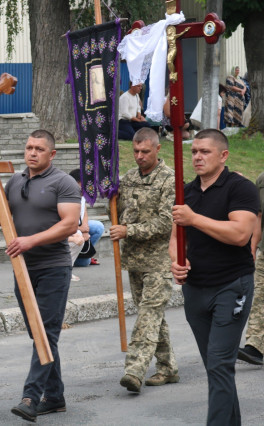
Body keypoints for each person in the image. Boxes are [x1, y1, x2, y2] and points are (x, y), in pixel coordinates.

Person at [0, 129, 81, 422]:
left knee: (45, 333)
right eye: (29, 148)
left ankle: (30, 397)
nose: (32, 153)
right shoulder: (15, 180)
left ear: (52, 154)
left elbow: (70, 224)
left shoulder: (62, 182)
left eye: (39, 149)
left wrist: (30, 241)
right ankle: (56, 397)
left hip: (54, 268)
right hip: (23, 268)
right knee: (39, 335)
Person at [170, 129, 259, 425]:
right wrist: (177, 261)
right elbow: (176, 237)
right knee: (215, 367)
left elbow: (240, 234)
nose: (197, 157)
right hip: (195, 289)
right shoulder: (186, 192)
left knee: (220, 363)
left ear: (223, 155)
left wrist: (194, 218)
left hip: (231, 286)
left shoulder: (241, 188)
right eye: (194, 151)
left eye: (205, 152)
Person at [109, 128, 179, 393]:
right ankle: (168, 368)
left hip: (159, 260)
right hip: (134, 260)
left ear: (157, 149)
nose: (139, 156)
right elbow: (119, 213)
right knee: (152, 317)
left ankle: (134, 370)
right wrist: (110, 200)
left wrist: (129, 231)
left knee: (148, 316)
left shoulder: (170, 180)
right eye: (136, 151)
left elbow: (166, 222)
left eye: (145, 151)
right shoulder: (128, 178)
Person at [237, 170, 264, 365]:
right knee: (260, 296)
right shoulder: (262, 179)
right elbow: (258, 216)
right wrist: (253, 246)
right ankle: (255, 346)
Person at [68, 169, 104, 268]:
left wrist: (85, 228)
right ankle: (71, 258)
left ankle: (84, 253)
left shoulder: (82, 194)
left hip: (78, 228)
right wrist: (80, 229)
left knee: (98, 227)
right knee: (85, 263)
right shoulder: (66, 196)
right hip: (70, 230)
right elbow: (63, 223)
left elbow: (84, 211)